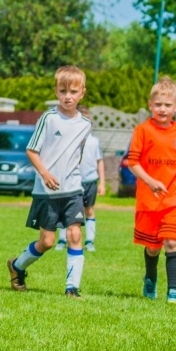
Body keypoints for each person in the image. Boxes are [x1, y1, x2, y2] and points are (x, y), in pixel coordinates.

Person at [7, 66, 91, 298]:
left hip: (73, 190)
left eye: (73, 91)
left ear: (82, 92)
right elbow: (32, 150)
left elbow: (77, 155)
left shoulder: (85, 125)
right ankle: (17, 266)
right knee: (47, 241)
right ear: (56, 91)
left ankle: (71, 287)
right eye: (63, 90)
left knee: (75, 235)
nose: (68, 96)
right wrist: (45, 173)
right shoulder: (49, 118)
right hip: (46, 191)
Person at [127, 77, 176, 302]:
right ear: (150, 105)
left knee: (172, 242)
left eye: (168, 105)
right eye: (158, 104)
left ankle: (173, 290)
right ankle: (150, 278)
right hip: (149, 200)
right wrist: (150, 182)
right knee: (153, 247)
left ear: (175, 107)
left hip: (173, 199)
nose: (163, 109)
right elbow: (133, 162)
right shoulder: (142, 130)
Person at [55, 105, 105, 252]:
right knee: (65, 210)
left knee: (88, 210)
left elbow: (99, 161)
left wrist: (102, 182)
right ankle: (62, 239)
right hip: (71, 180)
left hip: (90, 181)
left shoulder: (94, 141)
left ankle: (89, 241)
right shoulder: (68, 139)